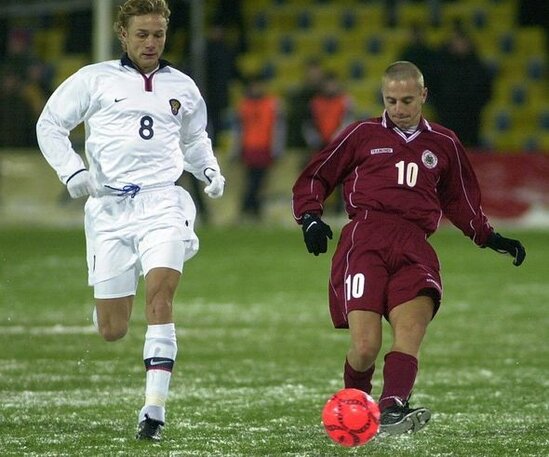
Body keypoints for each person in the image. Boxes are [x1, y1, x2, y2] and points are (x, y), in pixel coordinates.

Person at [291, 61, 525, 436]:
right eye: (391, 100)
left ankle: (392, 408)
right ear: (382, 97)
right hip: (365, 239)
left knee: (411, 329)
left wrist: (489, 236)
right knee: (366, 347)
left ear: (423, 96)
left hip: (416, 244)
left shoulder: (444, 143)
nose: (399, 109)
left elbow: (460, 200)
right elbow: (317, 175)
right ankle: (355, 403)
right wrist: (310, 217)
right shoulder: (362, 134)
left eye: (407, 100)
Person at [36, 0, 225, 442]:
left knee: (160, 296)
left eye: (157, 34)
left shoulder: (182, 86)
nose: (151, 42)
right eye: (142, 34)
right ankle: (107, 303)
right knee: (113, 329)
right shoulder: (94, 78)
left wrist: (209, 170)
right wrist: (74, 172)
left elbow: (195, 137)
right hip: (109, 210)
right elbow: (50, 125)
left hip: (163, 203)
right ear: (123, 34)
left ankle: (153, 412)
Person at [231, 75, 285, 220]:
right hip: (249, 148)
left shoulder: (273, 104)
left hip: (265, 148)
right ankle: (252, 210)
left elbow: (278, 128)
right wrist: (236, 149)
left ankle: (249, 209)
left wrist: (277, 149)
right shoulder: (243, 105)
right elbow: (237, 129)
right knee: (253, 181)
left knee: (258, 181)